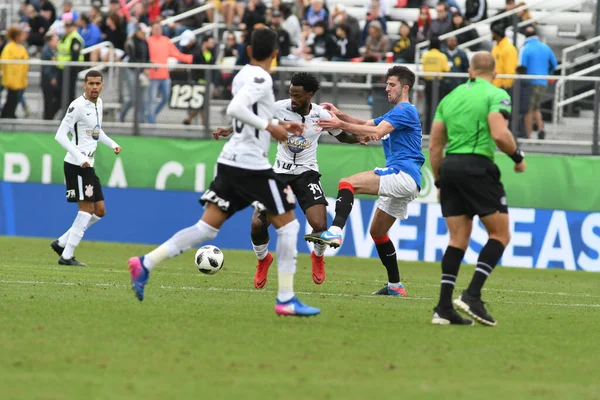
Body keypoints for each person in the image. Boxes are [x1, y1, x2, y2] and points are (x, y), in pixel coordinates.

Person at [127, 29, 321, 317]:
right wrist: (271, 127)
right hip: (250, 164)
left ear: (250, 48)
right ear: (275, 53)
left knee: (206, 228)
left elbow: (248, 111)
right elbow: (235, 108)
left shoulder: (243, 73)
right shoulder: (260, 77)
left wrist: (276, 123)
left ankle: (145, 263)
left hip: (230, 160)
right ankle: (286, 298)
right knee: (290, 226)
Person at [213, 72, 359, 288]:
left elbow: (342, 135)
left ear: (310, 94)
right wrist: (228, 129)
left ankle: (318, 257)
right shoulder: (278, 107)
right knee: (257, 224)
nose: (293, 99)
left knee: (320, 225)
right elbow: (251, 118)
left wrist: (360, 137)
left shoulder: (321, 115)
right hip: (279, 173)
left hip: (306, 173)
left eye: (297, 96)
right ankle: (263, 261)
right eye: (291, 94)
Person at [305, 66, 425, 297]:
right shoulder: (396, 113)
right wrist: (340, 115)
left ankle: (336, 231)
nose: (387, 88)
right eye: (387, 84)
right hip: (407, 179)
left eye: (392, 85)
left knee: (347, 183)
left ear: (405, 88)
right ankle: (395, 286)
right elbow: (368, 125)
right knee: (378, 232)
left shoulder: (405, 110)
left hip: (402, 173)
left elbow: (377, 132)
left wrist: (340, 125)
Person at [428, 52, 526, 326]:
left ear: (470, 71)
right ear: (494, 73)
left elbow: (435, 146)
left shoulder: (449, 98)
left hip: (449, 168)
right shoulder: (496, 94)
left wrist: (439, 180)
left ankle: (444, 307)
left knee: (457, 239)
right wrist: (517, 157)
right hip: (477, 166)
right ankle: (472, 295)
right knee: (500, 233)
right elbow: (499, 133)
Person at [51, 70, 122, 266]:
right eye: (90, 83)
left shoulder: (99, 104)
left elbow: (96, 133)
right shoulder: (77, 106)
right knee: (86, 210)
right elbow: (60, 135)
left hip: (88, 165)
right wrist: (80, 156)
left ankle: (62, 242)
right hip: (76, 165)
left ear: (102, 85)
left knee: (99, 211)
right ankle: (66, 256)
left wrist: (112, 144)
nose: (94, 87)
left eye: (97, 83)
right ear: (84, 85)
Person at [518, 26, 558, 139]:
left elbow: (521, 67)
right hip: (542, 82)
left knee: (528, 109)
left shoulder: (525, 48)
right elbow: (554, 64)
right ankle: (540, 128)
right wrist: (547, 73)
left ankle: (529, 135)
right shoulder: (545, 47)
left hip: (530, 82)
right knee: (535, 107)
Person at [0, 25, 29, 119]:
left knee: (14, 98)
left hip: (19, 79)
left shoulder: (21, 48)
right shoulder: (9, 48)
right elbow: (5, 64)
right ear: (16, 36)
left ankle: (9, 114)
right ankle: (8, 115)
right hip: (12, 80)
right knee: (11, 98)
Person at [41, 31, 61, 120]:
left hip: (54, 78)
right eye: (55, 40)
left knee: (58, 99)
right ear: (50, 41)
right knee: (48, 101)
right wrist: (52, 78)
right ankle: (48, 119)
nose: (57, 42)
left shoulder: (55, 50)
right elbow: (47, 67)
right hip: (48, 80)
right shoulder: (47, 51)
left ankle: (49, 117)